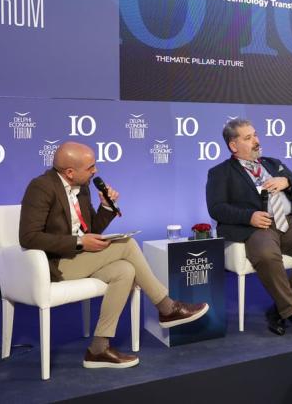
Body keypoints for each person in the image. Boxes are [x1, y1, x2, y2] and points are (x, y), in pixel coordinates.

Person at [19, 142, 208, 369]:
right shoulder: (41, 187)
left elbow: (92, 230)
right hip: (56, 263)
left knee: (124, 270)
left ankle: (98, 349)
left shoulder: (83, 187)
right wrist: (79, 242)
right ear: (70, 172)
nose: (95, 171)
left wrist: (107, 207)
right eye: (90, 167)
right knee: (127, 245)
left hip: (81, 258)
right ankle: (166, 307)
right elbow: (28, 237)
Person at [206, 119, 292, 336]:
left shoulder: (273, 164)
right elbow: (216, 208)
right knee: (266, 254)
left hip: (288, 221)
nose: (256, 141)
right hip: (257, 227)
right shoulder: (221, 172)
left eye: (255, 135)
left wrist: (287, 182)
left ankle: (279, 311)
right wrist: (249, 217)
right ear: (233, 146)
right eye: (248, 138)